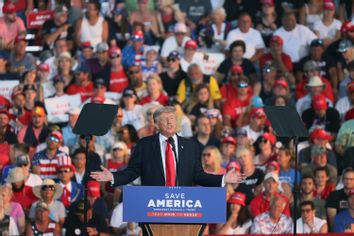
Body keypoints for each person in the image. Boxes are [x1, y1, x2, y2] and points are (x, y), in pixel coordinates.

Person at [91, 106, 243, 187]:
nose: (170, 122)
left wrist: (223, 179)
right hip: (153, 207)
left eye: (172, 119)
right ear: (156, 125)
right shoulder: (144, 145)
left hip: (182, 208)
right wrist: (113, 176)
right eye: (164, 120)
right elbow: (132, 172)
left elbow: (198, 176)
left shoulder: (190, 146)